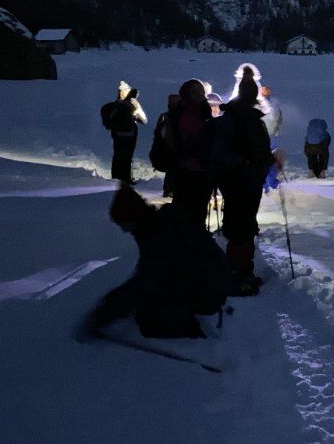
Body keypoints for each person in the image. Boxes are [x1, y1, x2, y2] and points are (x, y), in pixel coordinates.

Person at [78, 186, 229, 341]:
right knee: (148, 300)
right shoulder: (159, 224)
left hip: (209, 290)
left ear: (132, 216)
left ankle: (188, 329)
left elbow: (146, 280)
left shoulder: (157, 234)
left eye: (123, 223)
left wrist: (105, 312)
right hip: (210, 280)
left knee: (149, 318)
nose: (123, 230)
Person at [212, 69, 282, 295]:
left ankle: (236, 269)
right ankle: (240, 273)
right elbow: (259, 151)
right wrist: (270, 160)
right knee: (244, 224)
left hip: (230, 179)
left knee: (236, 222)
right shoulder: (252, 121)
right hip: (247, 180)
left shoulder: (226, 119)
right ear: (253, 96)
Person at [157, 79, 214, 229]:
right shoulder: (191, 114)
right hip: (192, 170)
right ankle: (192, 243)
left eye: (200, 92)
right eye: (196, 92)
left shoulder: (181, 113)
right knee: (193, 212)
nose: (199, 95)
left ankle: (187, 242)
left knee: (188, 211)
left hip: (187, 170)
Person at [101, 81, 147, 184]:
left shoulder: (114, 105)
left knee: (118, 155)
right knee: (127, 157)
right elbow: (144, 120)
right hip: (130, 133)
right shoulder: (133, 104)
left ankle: (117, 177)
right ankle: (126, 178)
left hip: (117, 133)